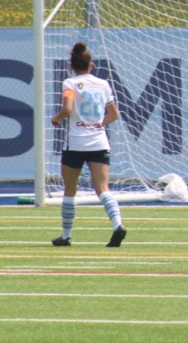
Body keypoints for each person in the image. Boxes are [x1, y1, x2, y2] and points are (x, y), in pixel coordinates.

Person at [50, 42, 126, 248]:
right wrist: (96, 124)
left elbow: (67, 109)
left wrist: (56, 119)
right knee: (102, 188)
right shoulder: (103, 84)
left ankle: (66, 236)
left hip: (76, 142)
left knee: (70, 190)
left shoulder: (69, 83)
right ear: (90, 65)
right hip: (99, 141)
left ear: (71, 66)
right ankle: (118, 225)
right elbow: (114, 115)